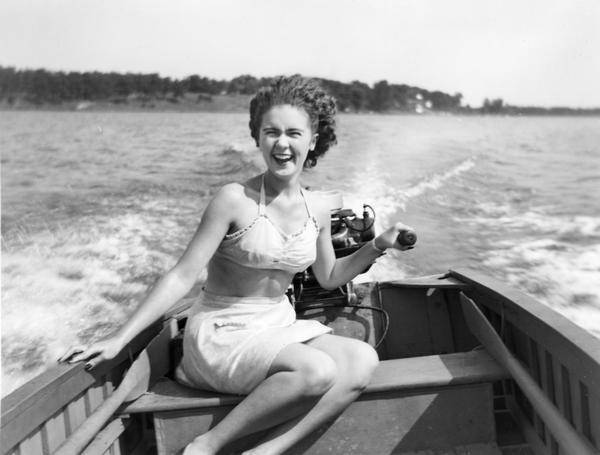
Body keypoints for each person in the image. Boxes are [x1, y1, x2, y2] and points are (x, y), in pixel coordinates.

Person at [60, 75, 413, 455]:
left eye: (293, 133)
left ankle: (264, 451)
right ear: (257, 138)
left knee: (362, 358)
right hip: (221, 333)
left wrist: (377, 245)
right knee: (318, 370)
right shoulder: (232, 199)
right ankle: (206, 446)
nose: (281, 143)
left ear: (312, 140)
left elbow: (330, 278)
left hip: (276, 326)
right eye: (271, 132)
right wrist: (119, 338)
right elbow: (182, 275)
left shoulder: (321, 207)